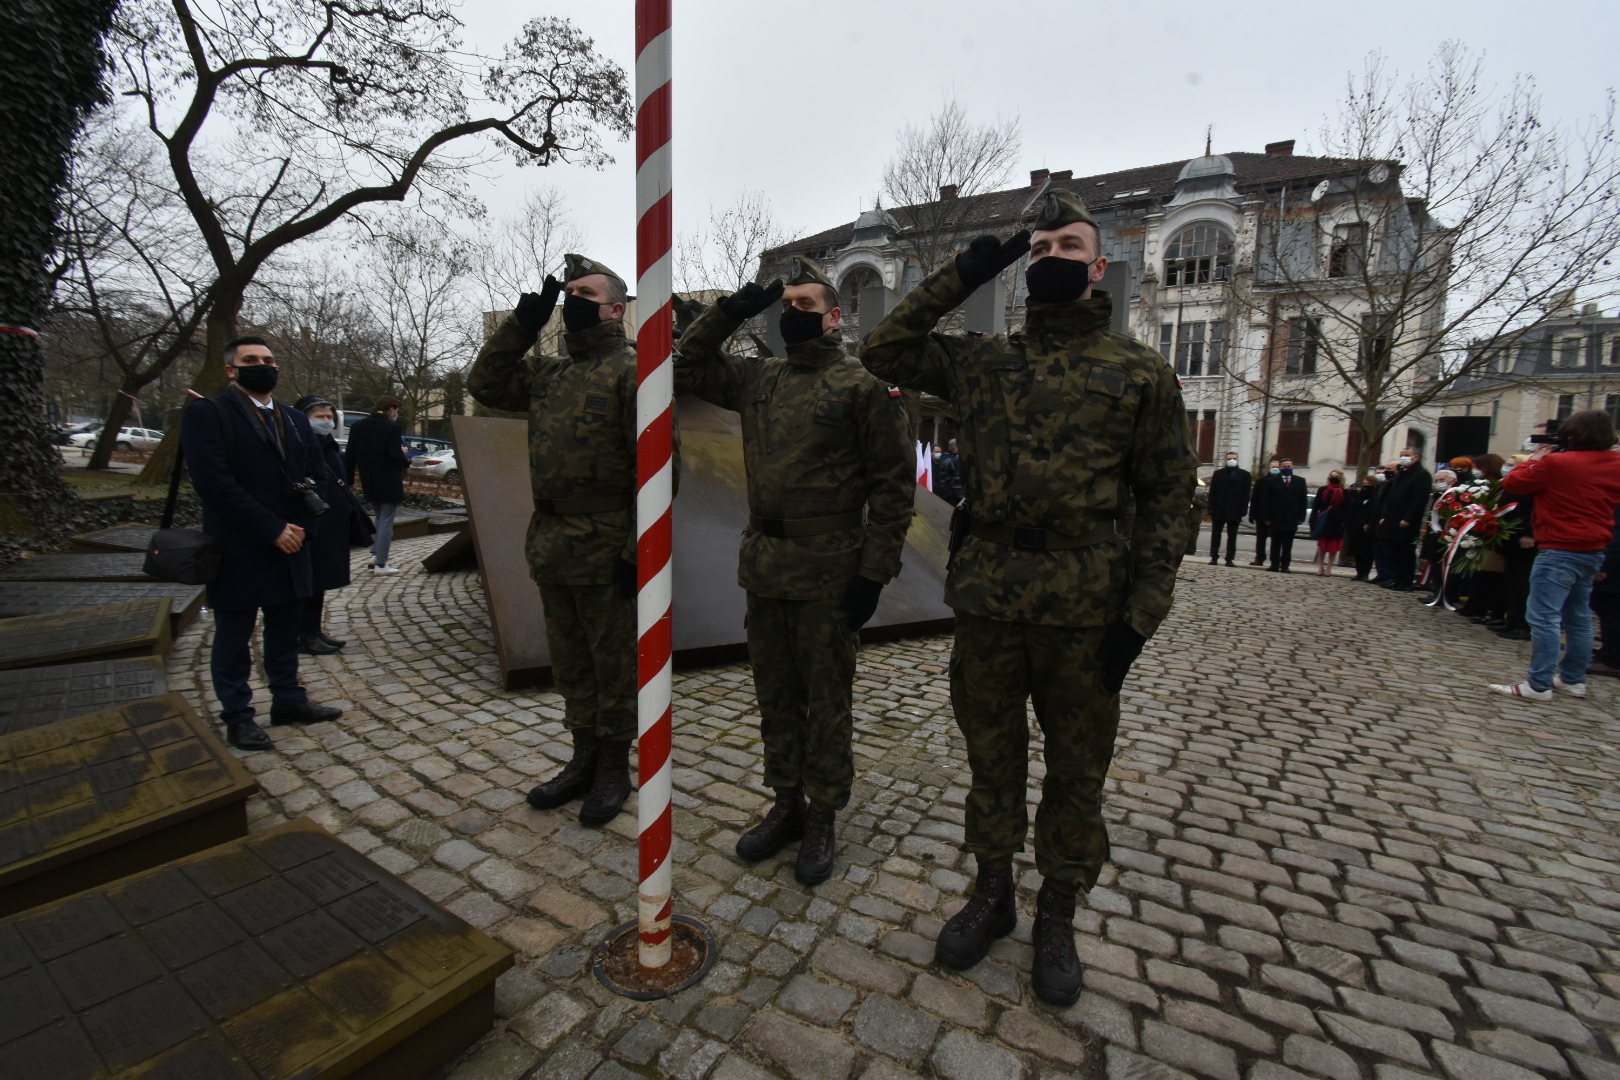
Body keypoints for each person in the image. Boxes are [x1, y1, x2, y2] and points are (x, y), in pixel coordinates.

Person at [860, 189, 1196, 1005]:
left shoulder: (1139, 372)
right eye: (1039, 249)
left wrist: (1142, 615)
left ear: (1099, 266)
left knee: (1077, 768)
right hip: (991, 599)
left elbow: (1167, 498)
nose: (1052, 258)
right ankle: (992, 891)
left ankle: (1058, 911)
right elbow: (883, 348)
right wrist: (968, 270)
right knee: (992, 755)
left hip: (1086, 607)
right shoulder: (982, 360)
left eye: (1067, 247)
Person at [675, 258, 915, 885]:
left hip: (830, 572)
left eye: (806, 306)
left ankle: (823, 813)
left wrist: (874, 574)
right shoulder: (761, 379)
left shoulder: (863, 388)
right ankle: (786, 802)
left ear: (835, 318)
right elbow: (686, 366)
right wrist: (729, 312)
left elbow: (894, 491)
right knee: (775, 695)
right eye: (786, 306)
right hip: (767, 567)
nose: (793, 315)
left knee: (826, 699)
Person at [469, 254, 674, 825]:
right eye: (570, 293)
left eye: (586, 294)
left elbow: (662, 472)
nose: (573, 301)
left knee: (614, 664)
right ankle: (583, 756)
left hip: (608, 545)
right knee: (571, 662)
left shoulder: (637, 373)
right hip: (554, 541)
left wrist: (637, 553)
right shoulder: (548, 374)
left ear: (616, 309)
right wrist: (522, 324)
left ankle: (613, 767)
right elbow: (485, 383)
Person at [181, 336, 343, 749]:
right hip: (240, 545)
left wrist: (303, 528)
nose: (263, 365)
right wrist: (271, 528)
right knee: (234, 637)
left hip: (293, 544)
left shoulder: (293, 418)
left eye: (268, 359)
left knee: (285, 630)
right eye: (251, 360)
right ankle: (238, 716)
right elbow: (214, 483)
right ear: (231, 370)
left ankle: (289, 700)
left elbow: (319, 475)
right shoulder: (209, 414)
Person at [1489, 410, 1620, 700]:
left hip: (1560, 546)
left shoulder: (1559, 462)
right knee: (1579, 617)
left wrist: (1534, 460)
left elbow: (1513, 483)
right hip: (1594, 547)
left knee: (1544, 616)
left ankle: (1539, 683)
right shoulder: (1615, 463)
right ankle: (1573, 679)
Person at [294, 396, 354, 656]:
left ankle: (314, 630)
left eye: (329, 417)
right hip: (314, 523)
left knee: (320, 581)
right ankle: (304, 634)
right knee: (310, 580)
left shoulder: (328, 443)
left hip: (331, 525)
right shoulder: (301, 444)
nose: (326, 421)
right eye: (319, 417)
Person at [344, 395, 409, 574]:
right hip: (388, 480)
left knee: (378, 518)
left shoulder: (358, 426)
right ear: (392, 409)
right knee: (386, 520)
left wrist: (349, 480)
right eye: (396, 410)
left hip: (369, 480)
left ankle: (374, 554)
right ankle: (381, 563)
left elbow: (350, 455)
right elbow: (393, 452)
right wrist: (404, 457)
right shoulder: (392, 427)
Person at [1377, 448, 1431, 591]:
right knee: (1393, 552)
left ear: (1416, 457)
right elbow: (1391, 496)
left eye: (1407, 455)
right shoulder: (1401, 473)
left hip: (1406, 521)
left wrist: (1408, 518)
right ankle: (1396, 579)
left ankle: (1406, 581)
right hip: (1392, 519)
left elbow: (1419, 500)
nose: (1403, 458)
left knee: (1405, 552)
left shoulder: (1422, 475)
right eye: (1401, 455)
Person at [1256, 458, 1308, 572]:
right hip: (1275, 518)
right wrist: (1266, 517)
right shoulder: (1272, 481)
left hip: (1292, 518)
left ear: (1293, 467)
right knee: (1275, 542)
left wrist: (1301, 517)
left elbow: (1303, 501)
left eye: (1289, 466)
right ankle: (1274, 564)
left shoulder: (1300, 481)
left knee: (1288, 543)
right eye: (1284, 466)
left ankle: (1285, 565)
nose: (1287, 468)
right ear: (1280, 468)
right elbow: (1266, 501)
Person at [1588, 502, 1620, 678]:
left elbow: (1616, 539)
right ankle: (1608, 652)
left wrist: (1603, 566)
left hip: (1613, 573)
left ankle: (1611, 659)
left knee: (1611, 614)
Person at [1206, 452, 1251, 566]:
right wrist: (1211, 508)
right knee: (1216, 535)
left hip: (1235, 510)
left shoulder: (1245, 475)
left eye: (1234, 458)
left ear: (1238, 460)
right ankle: (1214, 557)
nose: (1232, 461)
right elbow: (1213, 492)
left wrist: (1243, 510)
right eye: (1229, 459)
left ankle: (1229, 558)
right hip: (1219, 509)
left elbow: (1246, 494)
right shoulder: (1218, 474)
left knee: (1232, 536)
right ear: (1225, 460)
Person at [1310, 470, 1349, 576]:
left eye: (1336, 476)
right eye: (1332, 475)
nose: (1334, 477)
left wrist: (1345, 521)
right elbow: (1316, 505)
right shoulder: (1323, 489)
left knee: (1334, 545)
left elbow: (1347, 508)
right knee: (1322, 544)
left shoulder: (1344, 491)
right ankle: (1321, 566)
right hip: (1324, 519)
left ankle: (1329, 567)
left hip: (1337, 521)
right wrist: (1312, 519)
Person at [1343, 473, 1380, 581]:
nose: (1366, 486)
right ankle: (1359, 572)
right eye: (1364, 483)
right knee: (1357, 551)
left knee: (1367, 552)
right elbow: (1353, 510)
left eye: (1369, 484)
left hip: (1368, 527)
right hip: (1357, 526)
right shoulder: (1359, 495)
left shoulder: (1375, 496)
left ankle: (1365, 573)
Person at [1247, 458, 1278, 565]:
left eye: (1277, 467)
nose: (1275, 469)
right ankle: (1259, 558)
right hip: (1262, 515)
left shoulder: (1282, 482)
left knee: (1276, 540)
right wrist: (1252, 514)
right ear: (1269, 468)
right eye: (1273, 467)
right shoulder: (1261, 482)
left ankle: (1275, 560)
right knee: (1261, 539)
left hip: (1277, 516)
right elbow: (1255, 499)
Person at [934, 438, 964, 505]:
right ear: (955, 448)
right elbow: (951, 466)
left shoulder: (961, 458)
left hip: (963, 494)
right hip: (951, 495)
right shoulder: (945, 457)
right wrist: (960, 454)